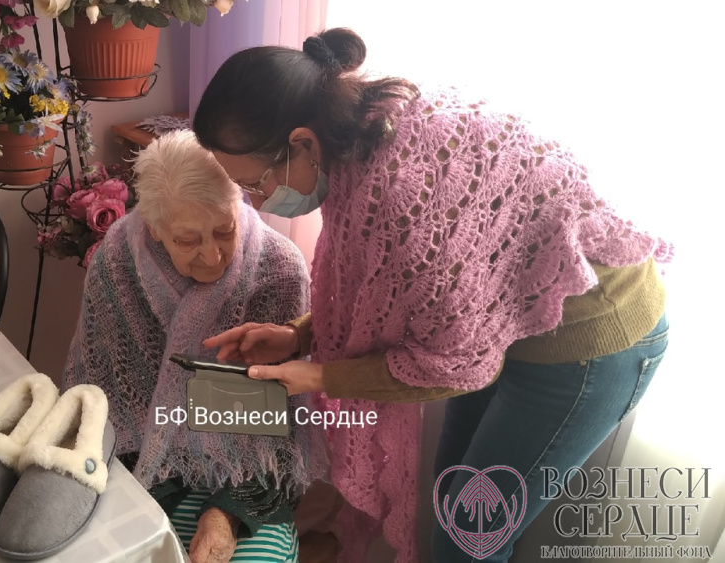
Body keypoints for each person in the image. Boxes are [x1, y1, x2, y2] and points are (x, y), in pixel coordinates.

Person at [193, 28, 671, 562]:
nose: (257, 204)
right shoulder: (359, 140)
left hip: (592, 339)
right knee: (451, 501)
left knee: (469, 537)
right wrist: (297, 336)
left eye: (255, 183)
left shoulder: (402, 188)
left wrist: (320, 376)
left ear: (302, 143)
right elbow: (389, 294)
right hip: (501, 323)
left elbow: (448, 365)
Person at [62, 130, 328, 563]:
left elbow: (280, 429)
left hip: (250, 478)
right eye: (187, 240)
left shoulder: (279, 269)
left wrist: (225, 515)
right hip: (137, 465)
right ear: (154, 227)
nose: (213, 255)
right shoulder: (116, 262)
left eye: (225, 230)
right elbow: (101, 404)